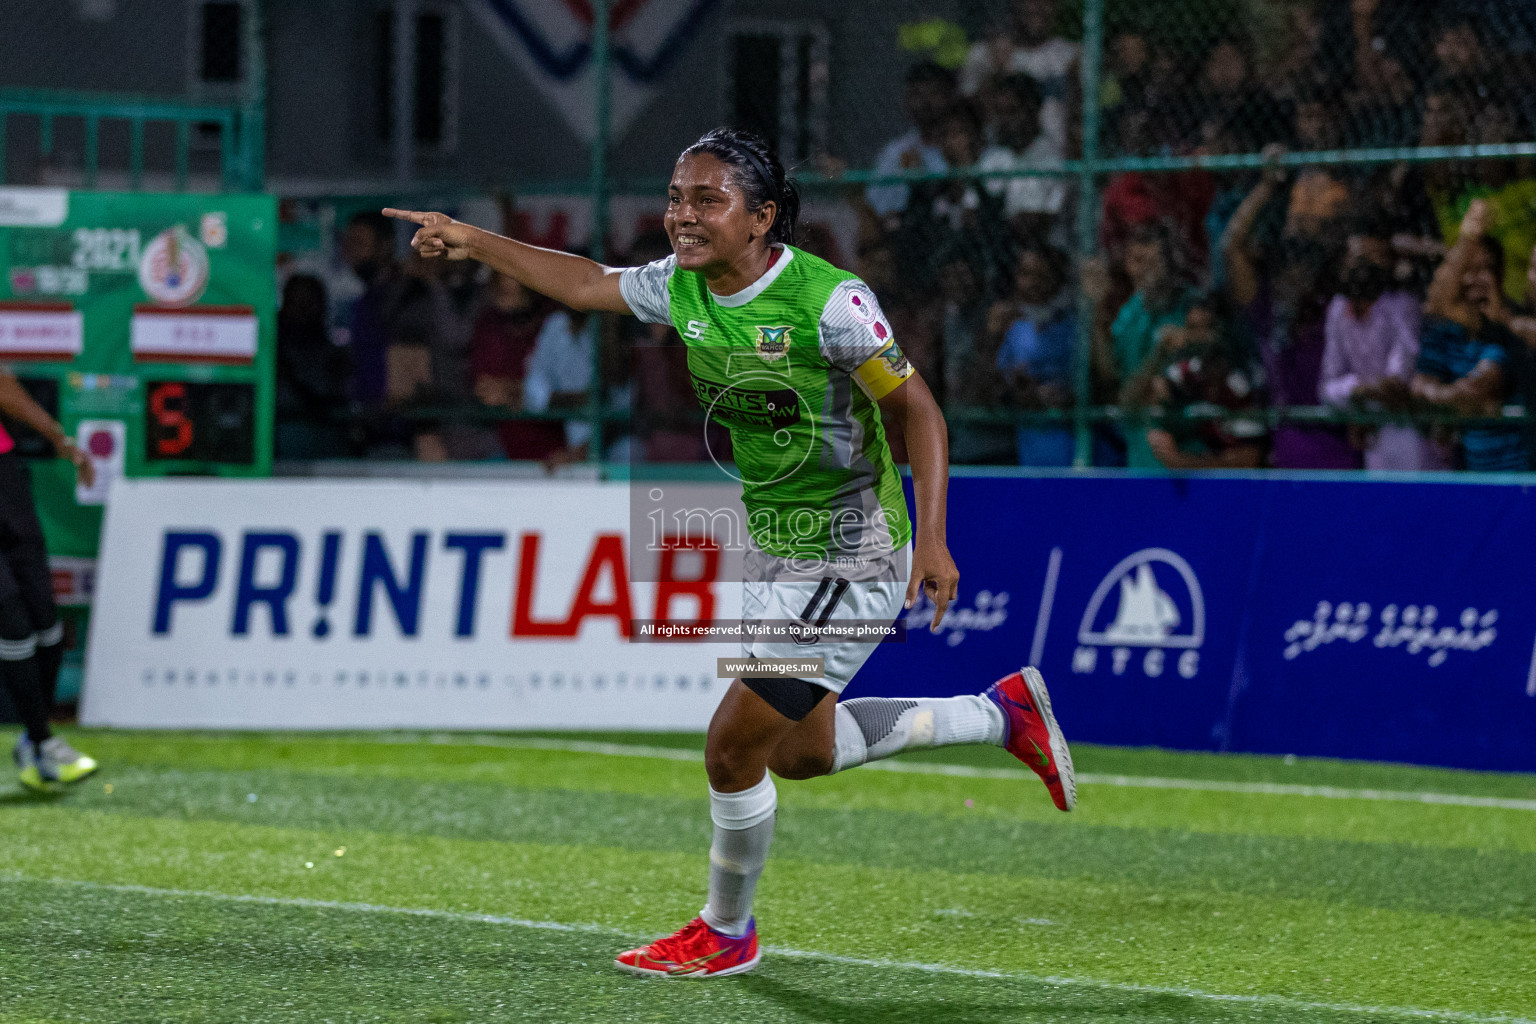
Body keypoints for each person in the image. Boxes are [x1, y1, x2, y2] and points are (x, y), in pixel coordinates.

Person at [383, 126, 1075, 979]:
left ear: (763, 219)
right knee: (801, 754)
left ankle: (725, 930)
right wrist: (475, 238)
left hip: (850, 549)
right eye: (676, 198)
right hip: (778, 548)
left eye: (707, 199)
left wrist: (931, 537)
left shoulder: (828, 302)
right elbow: (587, 282)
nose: (682, 215)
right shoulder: (683, 288)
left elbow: (920, 413)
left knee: (728, 749)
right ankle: (1000, 713)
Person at [0, 368, 98, 790]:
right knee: (12, 620)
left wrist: (59, 437)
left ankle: (34, 741)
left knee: (47, 621)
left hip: (3, 475)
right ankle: (43, 741)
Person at [1319, 219, 1444, 470]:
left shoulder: (1402, 306)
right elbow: (1327, 388)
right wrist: (1361, 392)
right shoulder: (1337, 309)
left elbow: (1397, 383)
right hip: (1370, 431)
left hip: (1410, 430)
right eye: (1356, 258)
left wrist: (1360, 394)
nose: (1362, 267)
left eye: (1372, 258)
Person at [1413, 200, 1528, 471]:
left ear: (1500, 277)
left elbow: (1480, 388)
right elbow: (1419, 387)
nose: (1474, 280)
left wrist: (1442, 405)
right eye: (1467, 270)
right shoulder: (1446, 333)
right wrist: (1449, 401)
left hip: (1521, 479)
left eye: (1484, 270)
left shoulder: (1509, 330)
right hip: (1478, 480)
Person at [992, 243, 1077, 466]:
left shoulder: (1075, 326)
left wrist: (1066, 395)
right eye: (1026, 275)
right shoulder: (1012, 329)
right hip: (1030, 447)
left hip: (1075, 445)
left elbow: (1095, 382)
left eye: (1041, 276)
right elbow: (997, 386)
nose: (1032, 284)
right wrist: (1021, 390)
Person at [865, 62, 956, 223]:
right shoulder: (895, 152)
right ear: (906, 100)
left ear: (949, 97)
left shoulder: (967, 149)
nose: (926, 102)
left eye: (933, 93)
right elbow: (875, 206)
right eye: (917, 94)